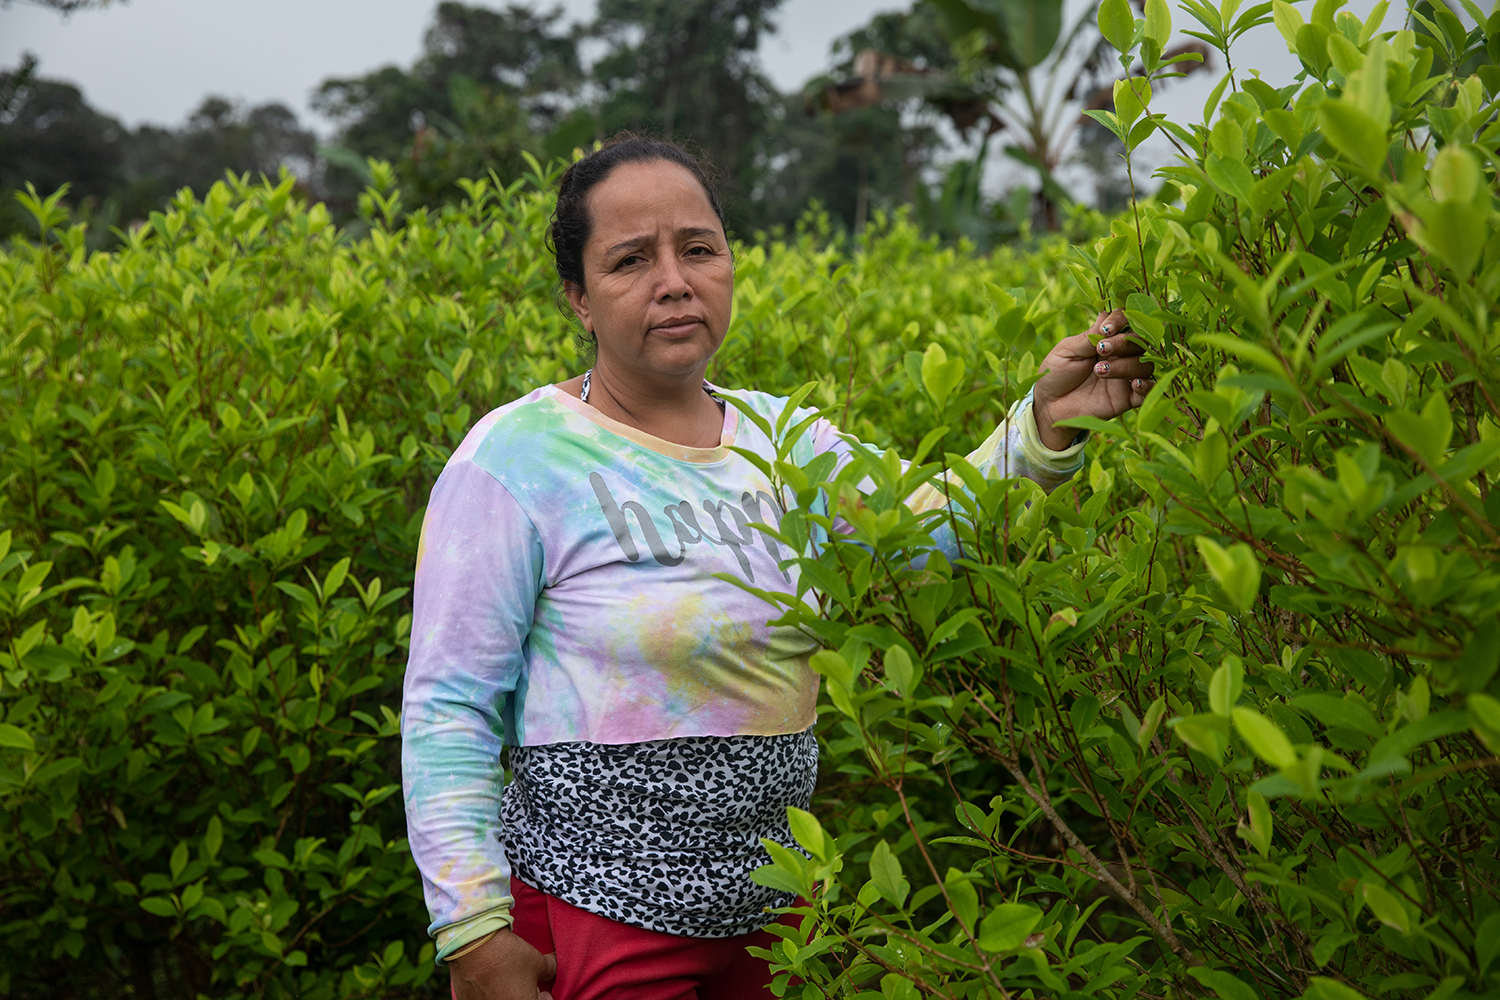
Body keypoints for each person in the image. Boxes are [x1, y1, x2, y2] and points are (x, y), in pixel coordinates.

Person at [401, 135, 1154, 1000]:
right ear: (577, 296)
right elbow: (449, 708)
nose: (674, 280)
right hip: (594, 913)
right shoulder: (517, 458)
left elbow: (915, 531)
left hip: (780, 913)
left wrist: (1048, 428)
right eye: (629, 260)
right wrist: (474, 935)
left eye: (698, 249)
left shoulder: (782, 443)